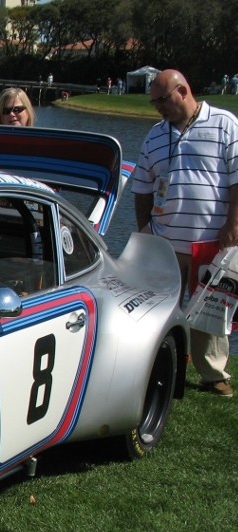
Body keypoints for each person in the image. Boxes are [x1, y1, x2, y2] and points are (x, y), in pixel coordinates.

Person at [133, 68, 238, 397]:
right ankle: (165, 365)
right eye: (154, 103)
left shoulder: (224, 124)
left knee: (210, 312)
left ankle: (213, 374)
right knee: (164, 309)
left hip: (211, 242)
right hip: (166, 242)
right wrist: (145, 230)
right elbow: (142, 186)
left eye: (162, 100)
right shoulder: (154, 134)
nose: (158, 108)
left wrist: (233, 224)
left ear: (183, 91)